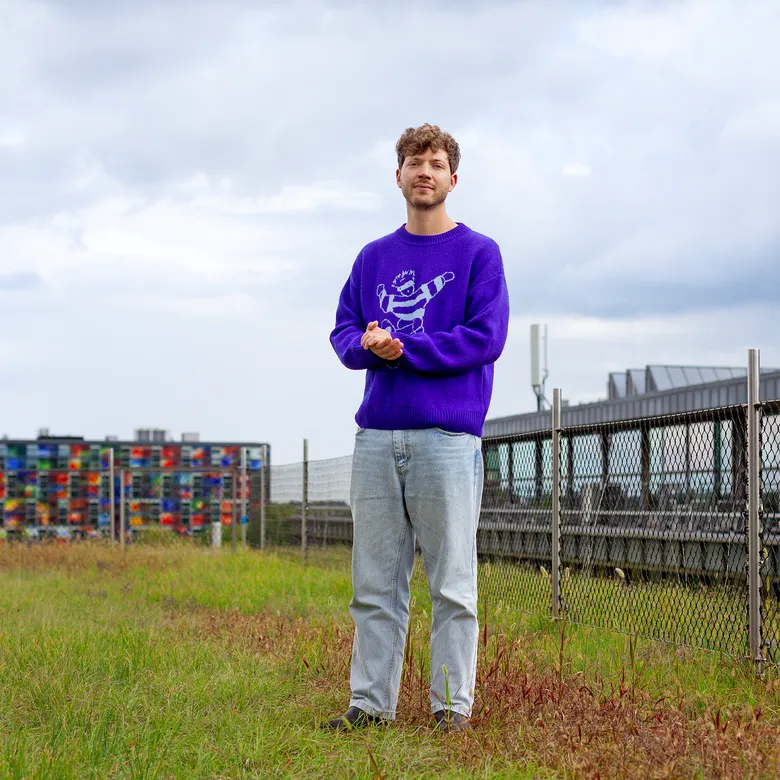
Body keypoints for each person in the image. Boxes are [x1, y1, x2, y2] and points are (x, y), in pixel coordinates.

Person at [327, 123, 510, 732]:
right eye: (413, 162)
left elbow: (486, 338)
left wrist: (405, 350)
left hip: (448, 440)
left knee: (453, 584)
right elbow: (343, 332)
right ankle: (369, 706)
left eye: (435, 163)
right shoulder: (372, 258)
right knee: (374, 585)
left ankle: (451, 710)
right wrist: (368, 347)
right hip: (377, 438)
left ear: (453, 179)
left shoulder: (479, 253)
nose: (424, 172)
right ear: (398, 175)